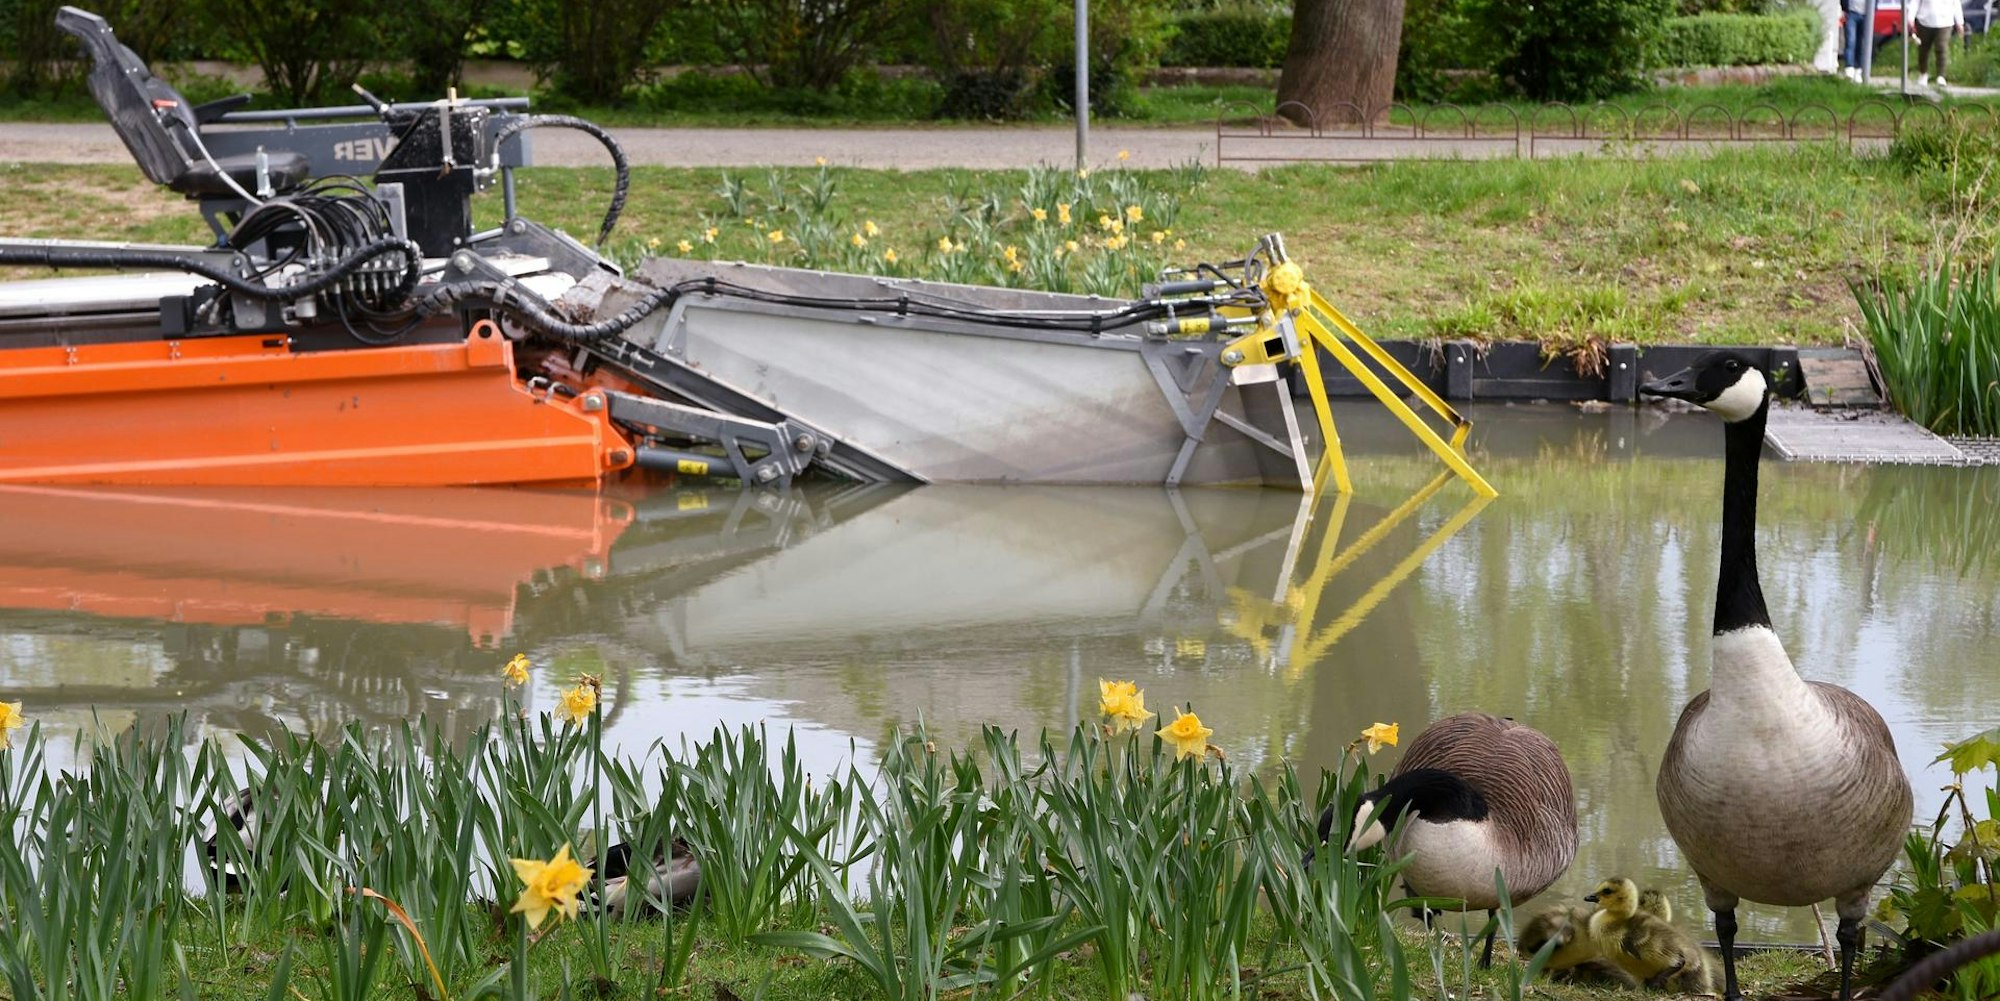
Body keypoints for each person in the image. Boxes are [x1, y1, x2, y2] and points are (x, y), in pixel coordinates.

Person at [1909, 0, 1969, 86]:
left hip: (1945, 22)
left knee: (1941, 47)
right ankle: (1923, 74)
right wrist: (1910, 18)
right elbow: (1915, 2)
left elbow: (1956, 3)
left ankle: (1941, 76)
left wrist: (1959, 23)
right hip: (1924, 21)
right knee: (1923, 49)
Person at [1843, 0, 1871, 80]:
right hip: (1852, 13)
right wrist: (1845, 9)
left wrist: (1872, 11)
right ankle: (1849, 68)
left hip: (1866, 15)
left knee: (1861, 44)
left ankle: (1858, 70)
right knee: (1850, 41)